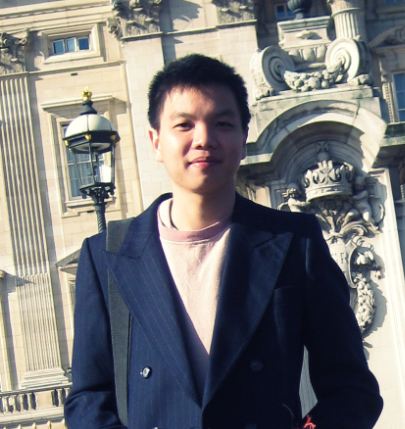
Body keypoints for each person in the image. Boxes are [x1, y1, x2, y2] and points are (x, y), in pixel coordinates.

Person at [64, 54, 383, 429]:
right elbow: (88, 398)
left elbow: (352, 390)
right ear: (155, 141)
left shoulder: (295, 242)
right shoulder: (107, 255)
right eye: (184, 125)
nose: (203, 140)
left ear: (243, 138)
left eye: (222, 124)